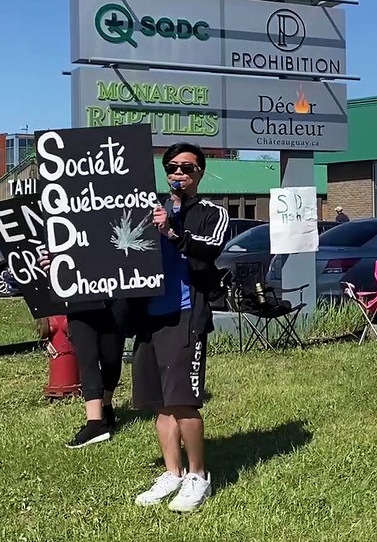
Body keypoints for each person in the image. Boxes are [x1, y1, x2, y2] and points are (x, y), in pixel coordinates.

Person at [132, 142, 229, 513]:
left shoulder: (211, 212)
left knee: (184, 401)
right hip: (150, 313)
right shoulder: (148, 207)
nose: (179, 174)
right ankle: (172, 472)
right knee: (159, 403)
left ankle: (197, 475)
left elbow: (210, 248)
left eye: (188, 168)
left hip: (185, 313)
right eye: (172, 167)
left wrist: (173, 232)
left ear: (200, 173)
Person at [63, 299, 129, 449]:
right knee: (87, 358)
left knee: (111, 357)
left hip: (114, 295)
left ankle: (106, 405)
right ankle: (95, 422)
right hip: (78, 296)